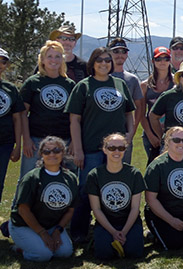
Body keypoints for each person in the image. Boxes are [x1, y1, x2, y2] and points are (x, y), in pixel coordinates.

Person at [65, 47, 136, 243]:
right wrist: (77, 149)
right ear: (92, 63)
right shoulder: (84, 86)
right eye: (99, 60)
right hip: (91, 149)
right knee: (86, 189)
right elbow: (74, 120)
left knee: (114, 187)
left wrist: (130, 134)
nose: (104, 63)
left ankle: (114, 227)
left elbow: (129, 113)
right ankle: (80, 230)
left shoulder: (120, 84)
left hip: (116, 149)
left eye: (107, 60)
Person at [8, 136, 78, 261]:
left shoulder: (70, 178)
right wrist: (42, 233)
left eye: (56, 150)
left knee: (65, 252)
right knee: (43, 255)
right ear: (41, 155)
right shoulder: (32, 177)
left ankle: (35, 243)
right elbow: (23, 210)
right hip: (24, 225)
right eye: (47, 151)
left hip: (51, 226)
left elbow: (71, 210)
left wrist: (58, 230)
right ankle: (21, 247)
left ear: (63, 152)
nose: (52, 154)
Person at [18, 41, 76, 181]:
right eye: (49, 56)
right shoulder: (32, 83)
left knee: (63, 180)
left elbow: (75, 116)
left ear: (62, 60)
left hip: (64, 140)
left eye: (57, 56)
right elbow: (22, 114)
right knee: (27, 179)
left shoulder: (70, 84)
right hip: (36, 140)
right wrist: (26, 139)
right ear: (42, 60)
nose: (53, 60)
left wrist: (74, 141)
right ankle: (19, 204)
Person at [144, 127, 183, 250]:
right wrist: (171, 220)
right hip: (161, 214)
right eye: (176, 140)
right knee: (174, 244)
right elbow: (150, 199)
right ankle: (153, 234)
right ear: (167, 141)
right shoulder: (157, 166)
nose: (181, 144)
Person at [86, 133, 145, 259]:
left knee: (134, 253)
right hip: (106, 222)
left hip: (129, 222)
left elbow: (135, 208)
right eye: (112, 148)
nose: (116, 151)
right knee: (104, 255)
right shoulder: (95, 175)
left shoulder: (134, 174)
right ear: (104, 149)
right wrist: (113, 232)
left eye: (121, 148)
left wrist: (124, 232)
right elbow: (96, 209)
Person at [107, 38, 145, 163]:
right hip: (101, 132)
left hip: (123, 134)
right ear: (109, 53)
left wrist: (132, 131)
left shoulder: (132, 80)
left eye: (123, 51)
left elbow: (139, 106)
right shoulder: (100, 77)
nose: (120, 55)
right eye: (116, 51)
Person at [140, 46, 175, 162]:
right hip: (152, 136)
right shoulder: (145, 85)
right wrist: (150, 135)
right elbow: (141, 113)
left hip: (173, 135)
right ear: (153, 62)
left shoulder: (177, 83)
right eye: (158, 59)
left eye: (166, 59)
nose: (162, 62)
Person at [0, 47, 24, 200]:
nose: (0, 64)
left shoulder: (10, 89)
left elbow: (17, 119)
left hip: (4, 143)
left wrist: (18, 146)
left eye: (3, 61)